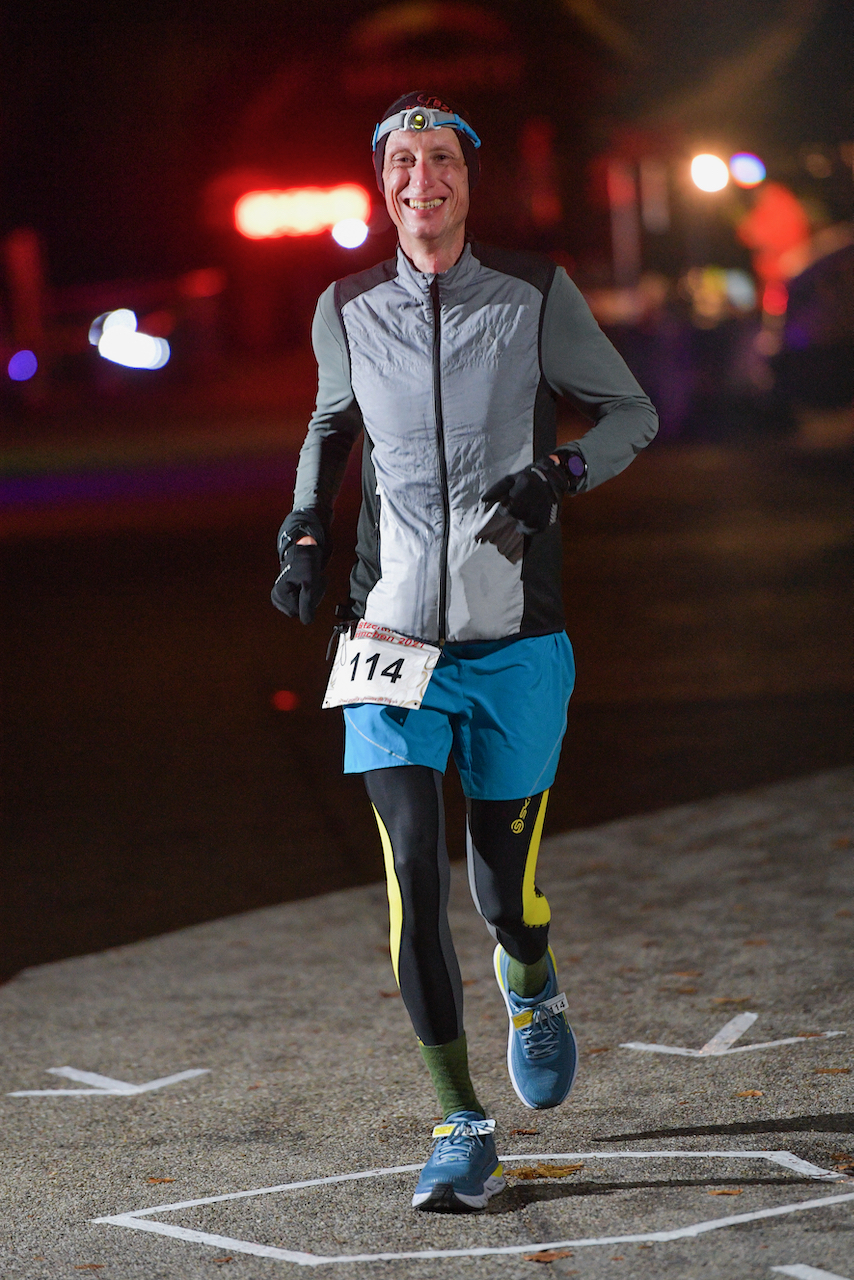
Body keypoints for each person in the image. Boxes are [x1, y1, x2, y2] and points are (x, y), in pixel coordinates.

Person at [272, 91, 658, 1213]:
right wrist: (301, 529)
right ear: (381, 181)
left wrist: (561, 474)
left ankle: (528, 984)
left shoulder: (532, 294)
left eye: (440, 158)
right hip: (389, 640)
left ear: (466, 180)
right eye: (402, 160)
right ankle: (459, 1118)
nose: (420, 179)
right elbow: (328, 424)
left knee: (502, 893)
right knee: (409, 876)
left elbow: (626, 411)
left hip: (512, 642)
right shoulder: (344, 305)